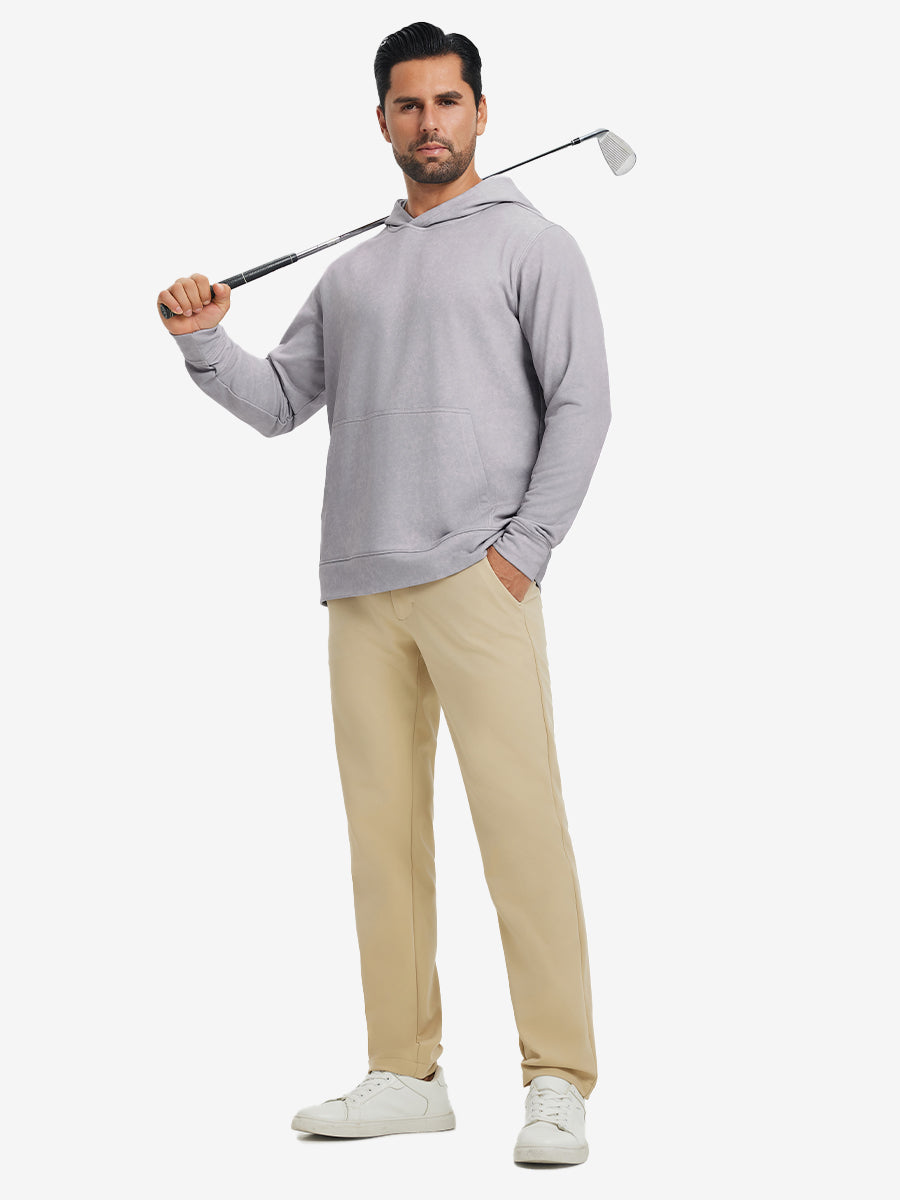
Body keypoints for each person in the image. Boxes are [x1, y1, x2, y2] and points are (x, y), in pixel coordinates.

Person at [158, 21, 611, 1167]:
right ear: (382, 122)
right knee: (383, 840)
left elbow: (583, 404)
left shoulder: (533, 244)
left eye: (448, 101)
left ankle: (557, 1077)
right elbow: (279, 402)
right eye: (409, 105)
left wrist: (523, 552)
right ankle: (405, 1072)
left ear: (481, 111)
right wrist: (205, 344)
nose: (430, 122)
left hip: (478, 578)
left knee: (522, 830)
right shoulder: (352, 272)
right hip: (361, 588)